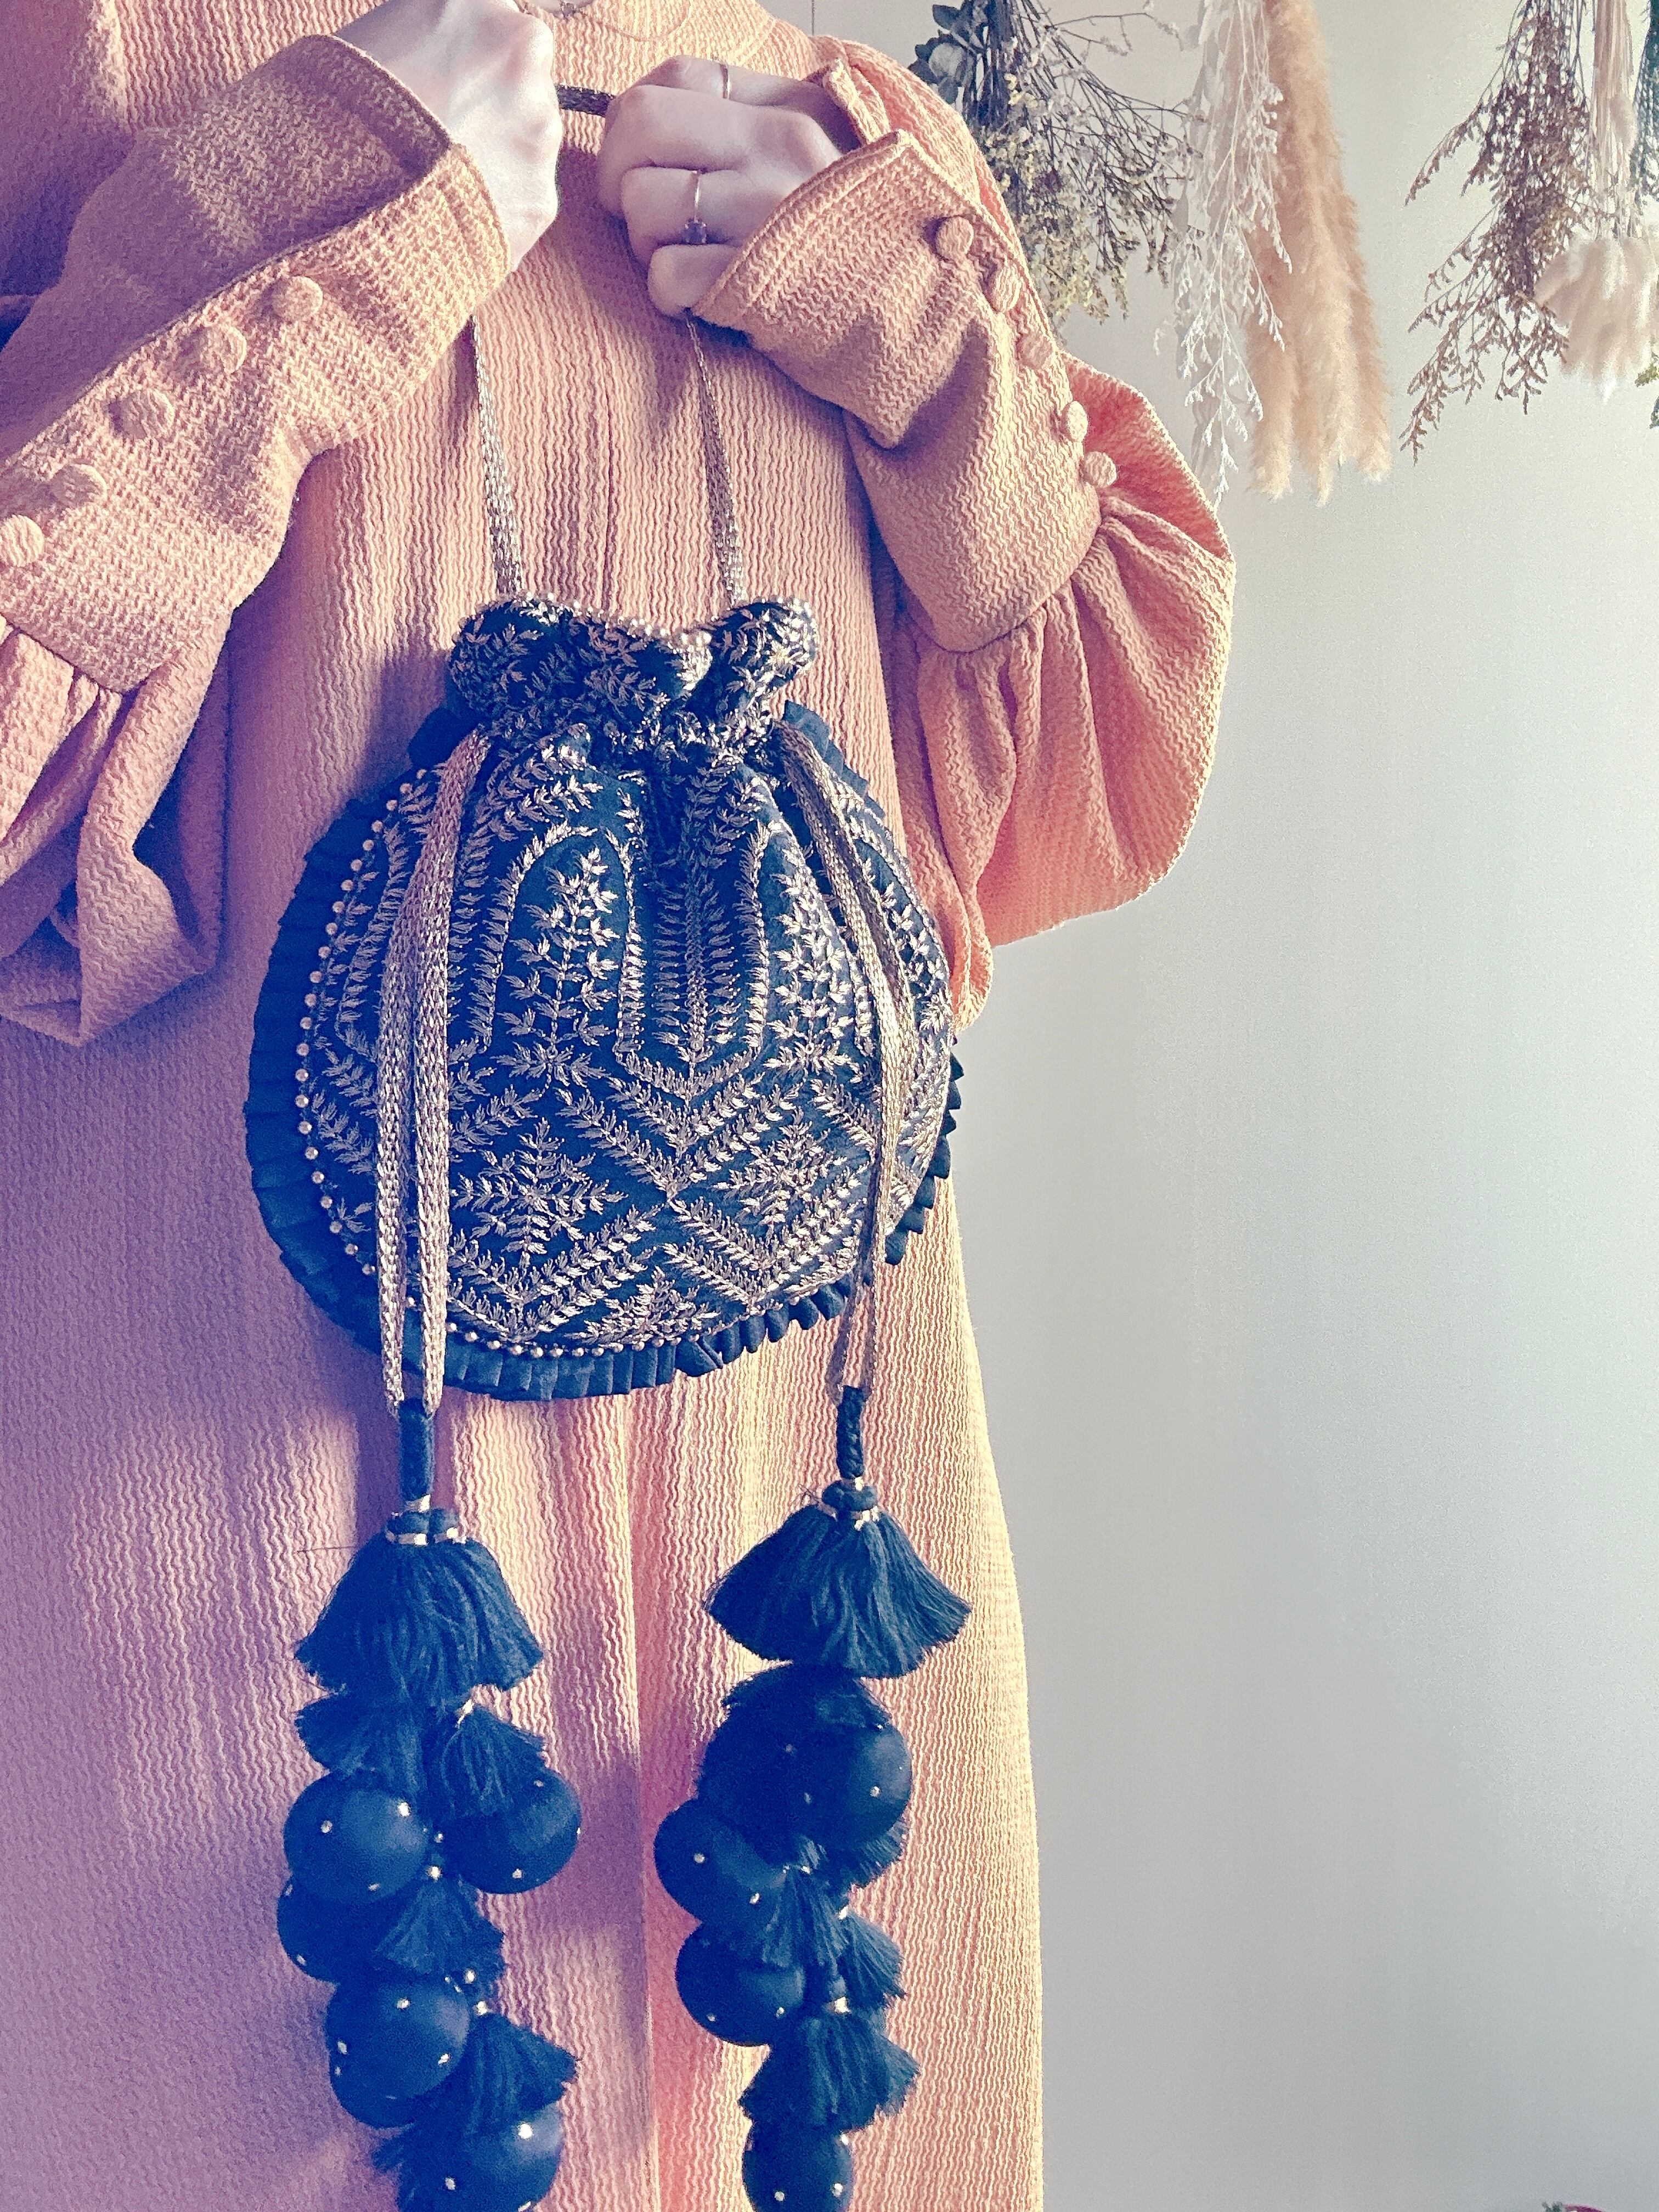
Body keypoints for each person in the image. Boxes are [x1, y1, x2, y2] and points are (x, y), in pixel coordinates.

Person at [0, 2, 1233, 2205]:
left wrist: (914, 328)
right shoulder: (82, 50)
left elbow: (1080, 785)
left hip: (806, 1524)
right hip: (242, 1546)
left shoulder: (845, 119)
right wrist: (297, 237)